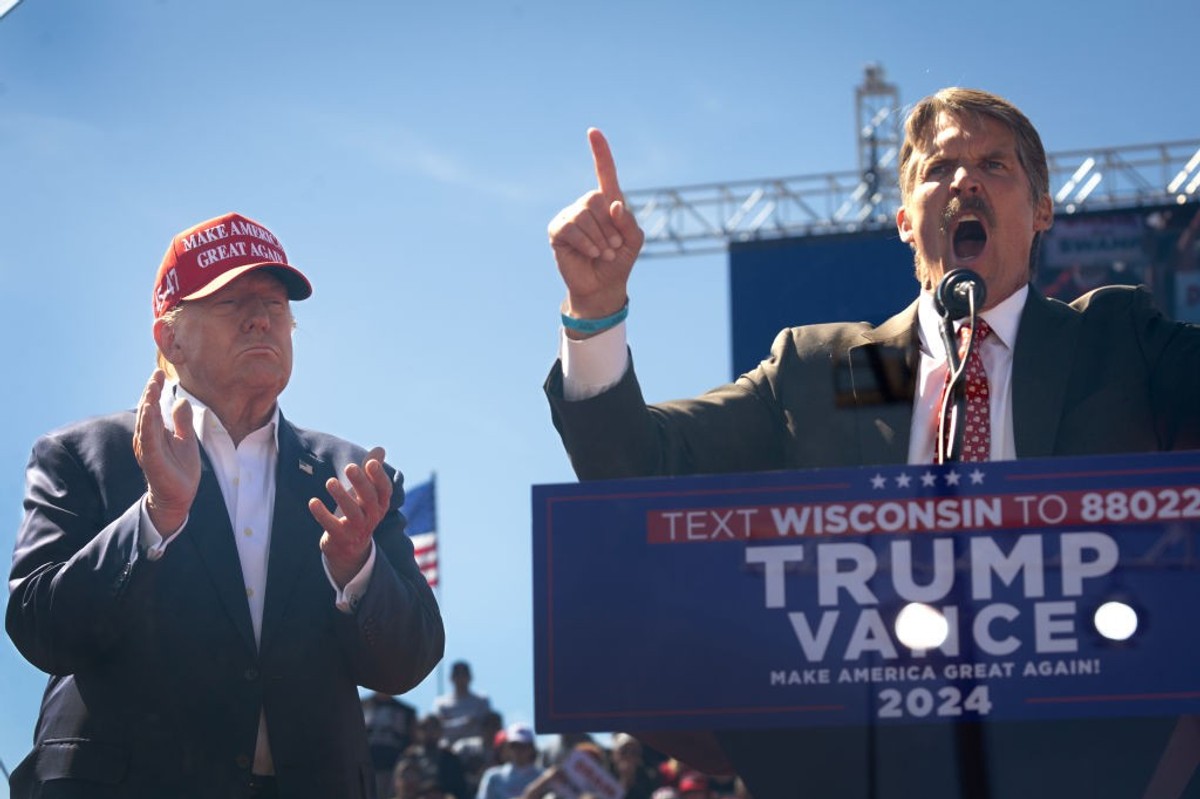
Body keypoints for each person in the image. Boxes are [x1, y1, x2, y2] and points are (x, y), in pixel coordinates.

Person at [544, 89, 1200, 795]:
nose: (965, 181)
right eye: (938, 169)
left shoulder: (1117, 339)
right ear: (903, 223)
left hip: (1089, 751)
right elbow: (640, 461)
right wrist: (594, 312)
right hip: (868, 756)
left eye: (994, 165)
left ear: (1042, 211)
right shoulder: (822, 369)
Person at [6, 211, 445, 799]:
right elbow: (42, 629)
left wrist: (358, 573)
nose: (262, 318)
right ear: (170, 338)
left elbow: (407, 663)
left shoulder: (354, 476)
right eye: (232, 300)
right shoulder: (85, 456)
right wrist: (156, 516)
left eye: (276, 303)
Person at [364, 691, 421, 799]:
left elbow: (414, 741)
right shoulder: (361, 706)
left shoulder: (406, 711)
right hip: (366, 770)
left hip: (393, 771)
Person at [435, 660, 494, 747]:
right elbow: (440, 729)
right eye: (457, 675)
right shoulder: (442, 703)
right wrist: (465, 723)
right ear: (451, 678)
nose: (461, 678)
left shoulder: (481, 701)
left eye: (464, 675)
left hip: (477, 749)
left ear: (470, 677)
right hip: (450, 750)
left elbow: (487, 727)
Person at [476, 723, 543, 799]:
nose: (518, 750)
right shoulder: (493, 777)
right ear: (507, 747)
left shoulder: (542, 775)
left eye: (523, 746)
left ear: (531, 747)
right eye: (514, 745)